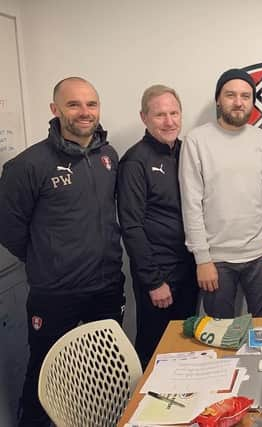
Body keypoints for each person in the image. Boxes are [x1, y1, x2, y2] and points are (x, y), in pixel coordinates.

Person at [0, 77, 125, 427]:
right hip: (55, 294)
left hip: (106, 287)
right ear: (55, 110)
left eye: (91, 104)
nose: (84, 113)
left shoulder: (108, 156)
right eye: (74, 105)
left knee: (106, 377)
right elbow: (9, 230)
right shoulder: (27, 166)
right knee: (48, 376)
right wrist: (49, 258)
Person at [179, 68, 262, 318]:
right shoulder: (196, 141)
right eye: (230, 95)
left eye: (246, 96)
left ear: (252, 101)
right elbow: (191, 204)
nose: (238, 102)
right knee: (220, 338)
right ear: (218, 99)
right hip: (216, 260)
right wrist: (202, 259)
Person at [117, 85, 198, 368]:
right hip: (159, 275)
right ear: (144, 118)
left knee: (185, 347)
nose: (169, 121)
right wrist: (153, 281)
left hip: (188, 268)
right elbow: (132, 226)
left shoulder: (186, 151)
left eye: (174, 113)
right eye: (160, 114)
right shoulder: (135, 161)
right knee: (155, 350)